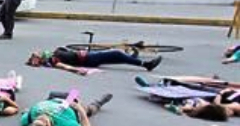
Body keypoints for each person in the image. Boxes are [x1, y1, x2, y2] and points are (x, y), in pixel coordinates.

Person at [21, 92, 112, 126]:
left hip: (53, 99)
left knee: (55, 93)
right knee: (86, 108)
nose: (42, 116)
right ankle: (98, 103)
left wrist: (29, 111)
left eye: (38, 119)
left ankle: (72, 97)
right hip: (71, 107)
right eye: (43, 120)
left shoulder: (29, 117)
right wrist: (80, 109)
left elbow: (26, 116)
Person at [27, 47, 162, 74]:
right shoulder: (53, 60)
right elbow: (65, 67)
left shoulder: (52, 55)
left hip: (89, 56)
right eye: (35, 55)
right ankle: (146, 64)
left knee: (116, 57)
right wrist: (79, 71)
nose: (37, 52)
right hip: (88, 59)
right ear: (39, 60)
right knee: (115, 53)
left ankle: (132, 59)